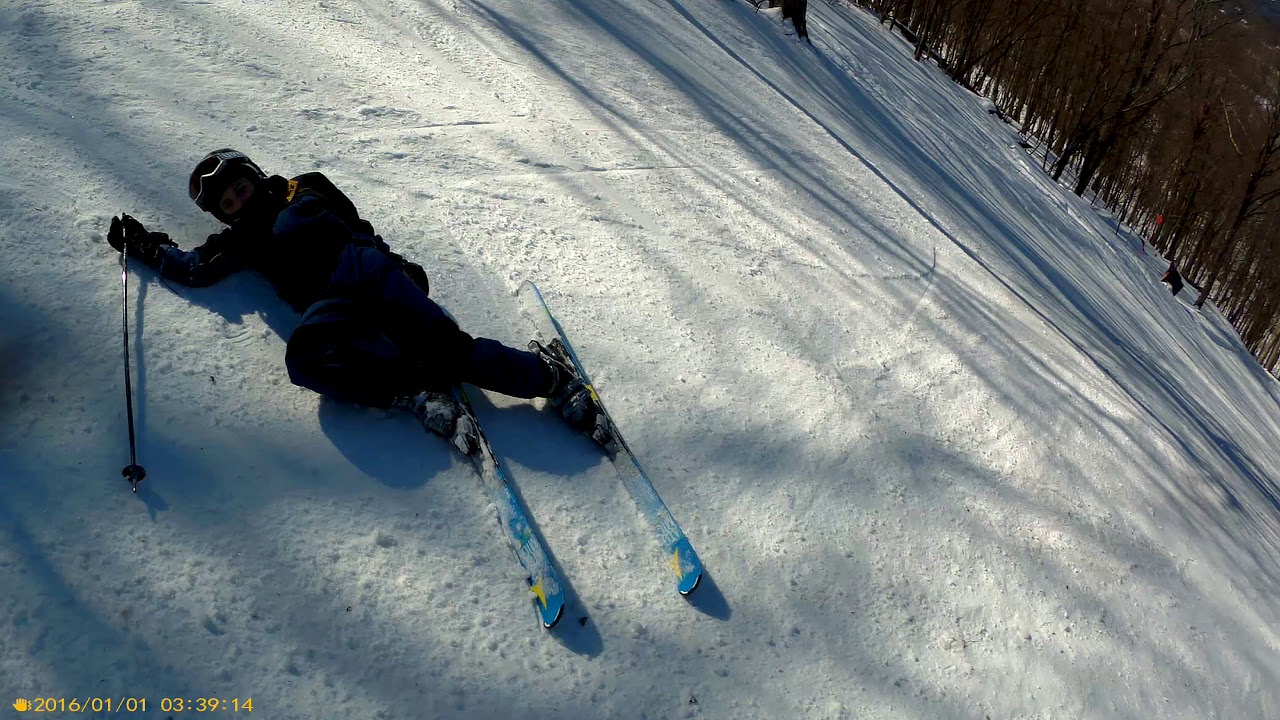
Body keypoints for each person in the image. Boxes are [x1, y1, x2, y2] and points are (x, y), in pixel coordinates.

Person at [107, 148, 612, 453]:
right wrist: (147, 246)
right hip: (329, 302)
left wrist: (394, 261)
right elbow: (194, 269)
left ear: (253, 174)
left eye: (239, 187)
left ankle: (550, 379)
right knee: (305, 362)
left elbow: (356, 223)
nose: (239, 200)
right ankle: (409, 391)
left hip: (364, 267)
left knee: (448, 354)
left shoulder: (305, 187)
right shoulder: (239, 241)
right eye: (228, 203)